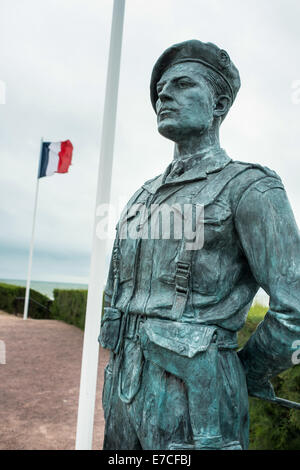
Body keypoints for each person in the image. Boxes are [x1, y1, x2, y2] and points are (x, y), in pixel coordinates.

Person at [99, 40, 300, 450]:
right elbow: (115, 296)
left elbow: (294, 304)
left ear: (219, 104)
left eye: (182, 84)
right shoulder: (141, 197)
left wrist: (242, 368)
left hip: (197, 402)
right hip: (123, 393)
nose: (164, 95)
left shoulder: (249, 187)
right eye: (160, 90)